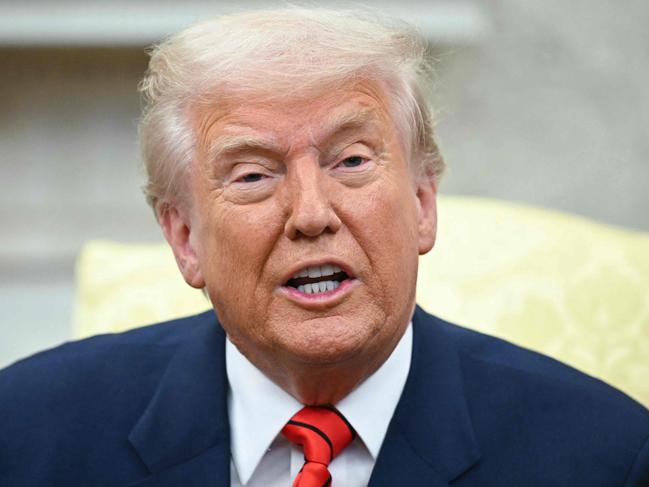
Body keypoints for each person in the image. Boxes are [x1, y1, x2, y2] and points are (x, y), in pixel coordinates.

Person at [1, 7, 648, 487]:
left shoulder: (604, 456)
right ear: (184, 237)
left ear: (423, 202)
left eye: (351, 160)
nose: (311, 215)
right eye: (253, 174)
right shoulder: (27, 434)